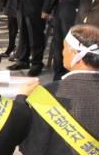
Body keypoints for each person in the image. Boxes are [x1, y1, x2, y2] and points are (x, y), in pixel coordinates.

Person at [19, 24, 99, 155]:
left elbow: (32, 149)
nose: (62, 52)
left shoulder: (50, 93)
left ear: (75, 54)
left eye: (64, 48)